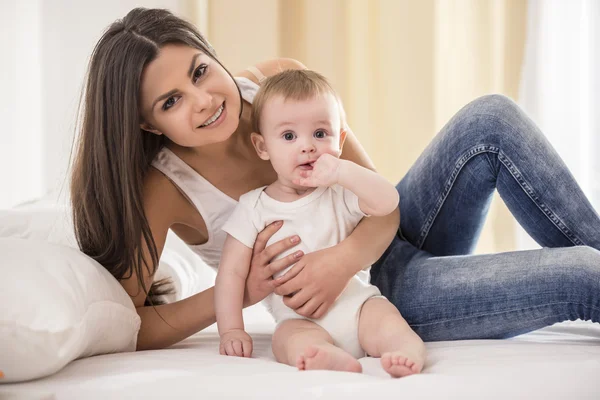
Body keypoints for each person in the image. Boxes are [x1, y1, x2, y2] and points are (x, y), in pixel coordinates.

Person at [70, 7, 600, 357]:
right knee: (585, 275)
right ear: (147, 124)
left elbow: (382, 205)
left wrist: (341, 258)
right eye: (171, 102)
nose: (203, 99)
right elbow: (131, 324)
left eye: (199, 71)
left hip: (380, 243)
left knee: (491, 119)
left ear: (211, 55)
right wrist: (243, 292)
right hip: (372, 298)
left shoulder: (275, 85)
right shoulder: (163, 189)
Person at [215, 69, 425, 377]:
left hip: (357, 307)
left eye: (320, 133)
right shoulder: (254, 207)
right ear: (262, 147)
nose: (307, 146)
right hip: (298, 318)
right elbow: (230, 272)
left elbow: (388, 202)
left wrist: (343, 172)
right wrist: (231, 329)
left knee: (385, 319)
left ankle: (405, 350)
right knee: (285, 340)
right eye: (289, 136)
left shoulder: (339, 192)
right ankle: (324, 355)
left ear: (339, 140)